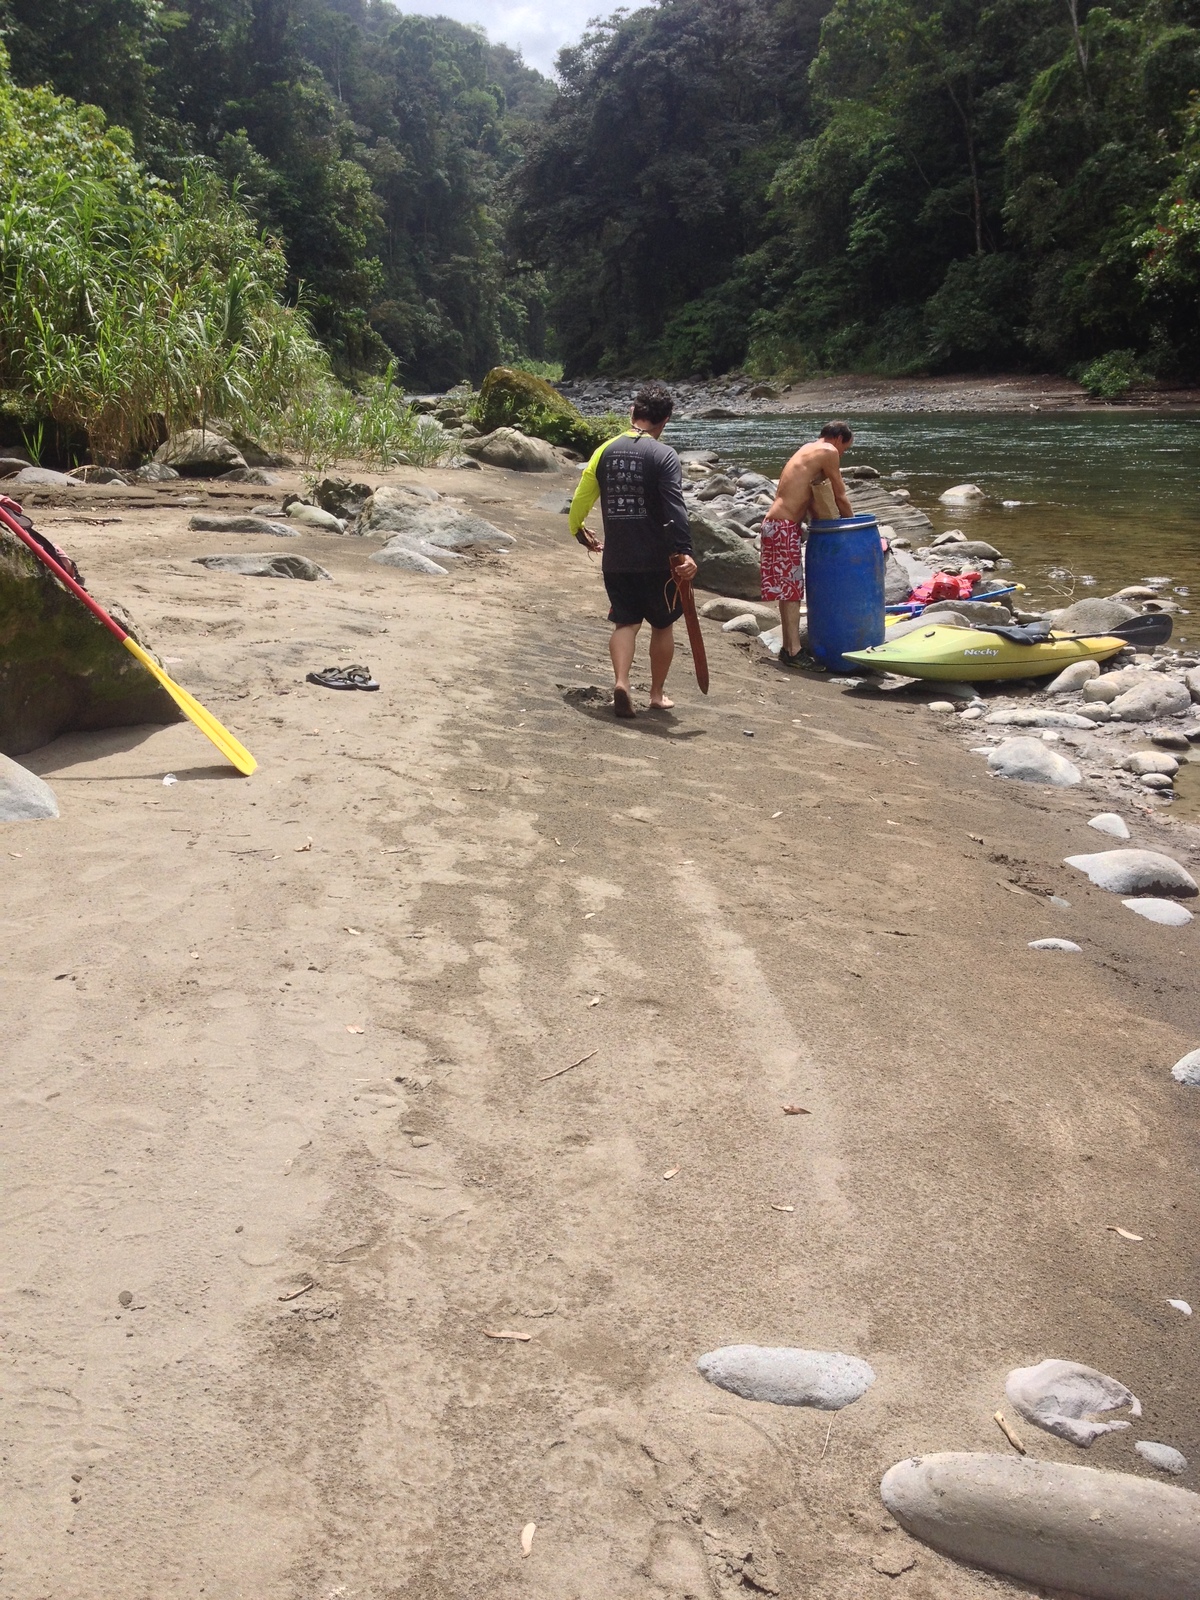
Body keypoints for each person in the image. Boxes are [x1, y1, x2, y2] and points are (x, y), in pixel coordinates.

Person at [569, 380, 697, 718]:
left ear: (632, 412)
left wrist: (580, 531)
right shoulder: (664, 455)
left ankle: (622, 682)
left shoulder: (605, 451)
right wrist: (685, 550)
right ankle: (656, 694)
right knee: (662, 625)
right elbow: (675, 506)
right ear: (665, 419)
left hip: (617, 558)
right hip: (658, 561)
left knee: (625, 623)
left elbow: (580, 500)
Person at [761, 421, 854, 665]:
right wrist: (853, 529)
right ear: (838, 439)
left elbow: (813, 496)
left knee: (787, 590)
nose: (842, 454)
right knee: (791, 590)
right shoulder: (828, 451)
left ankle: (788, 647)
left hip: (777, 525)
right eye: (845, 449)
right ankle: (793, 651)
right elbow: (839, 494)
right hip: (782, 527)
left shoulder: (809, 448)